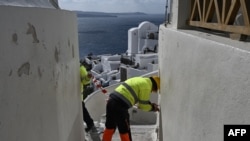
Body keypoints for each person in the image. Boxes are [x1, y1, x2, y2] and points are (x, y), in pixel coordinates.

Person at [102, 76, 160, 141]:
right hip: (120, 106)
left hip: (111, 101)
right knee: (124, 130)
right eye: (154, 90)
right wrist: (152, 108)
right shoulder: (147, 87)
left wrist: (149, 104)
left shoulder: (139, 80)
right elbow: (144, 106)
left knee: (110, 127)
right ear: (154, 86)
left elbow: (138, 100)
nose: (152, 91)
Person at [80, 60, 100, 141]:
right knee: (83, 110)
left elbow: (85, 82)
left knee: (83, 110)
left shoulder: (81, 68)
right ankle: (90, 125)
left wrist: (88, 77)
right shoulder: (80, 68)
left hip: (78, 95)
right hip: (78, 95)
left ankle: (90, 125)